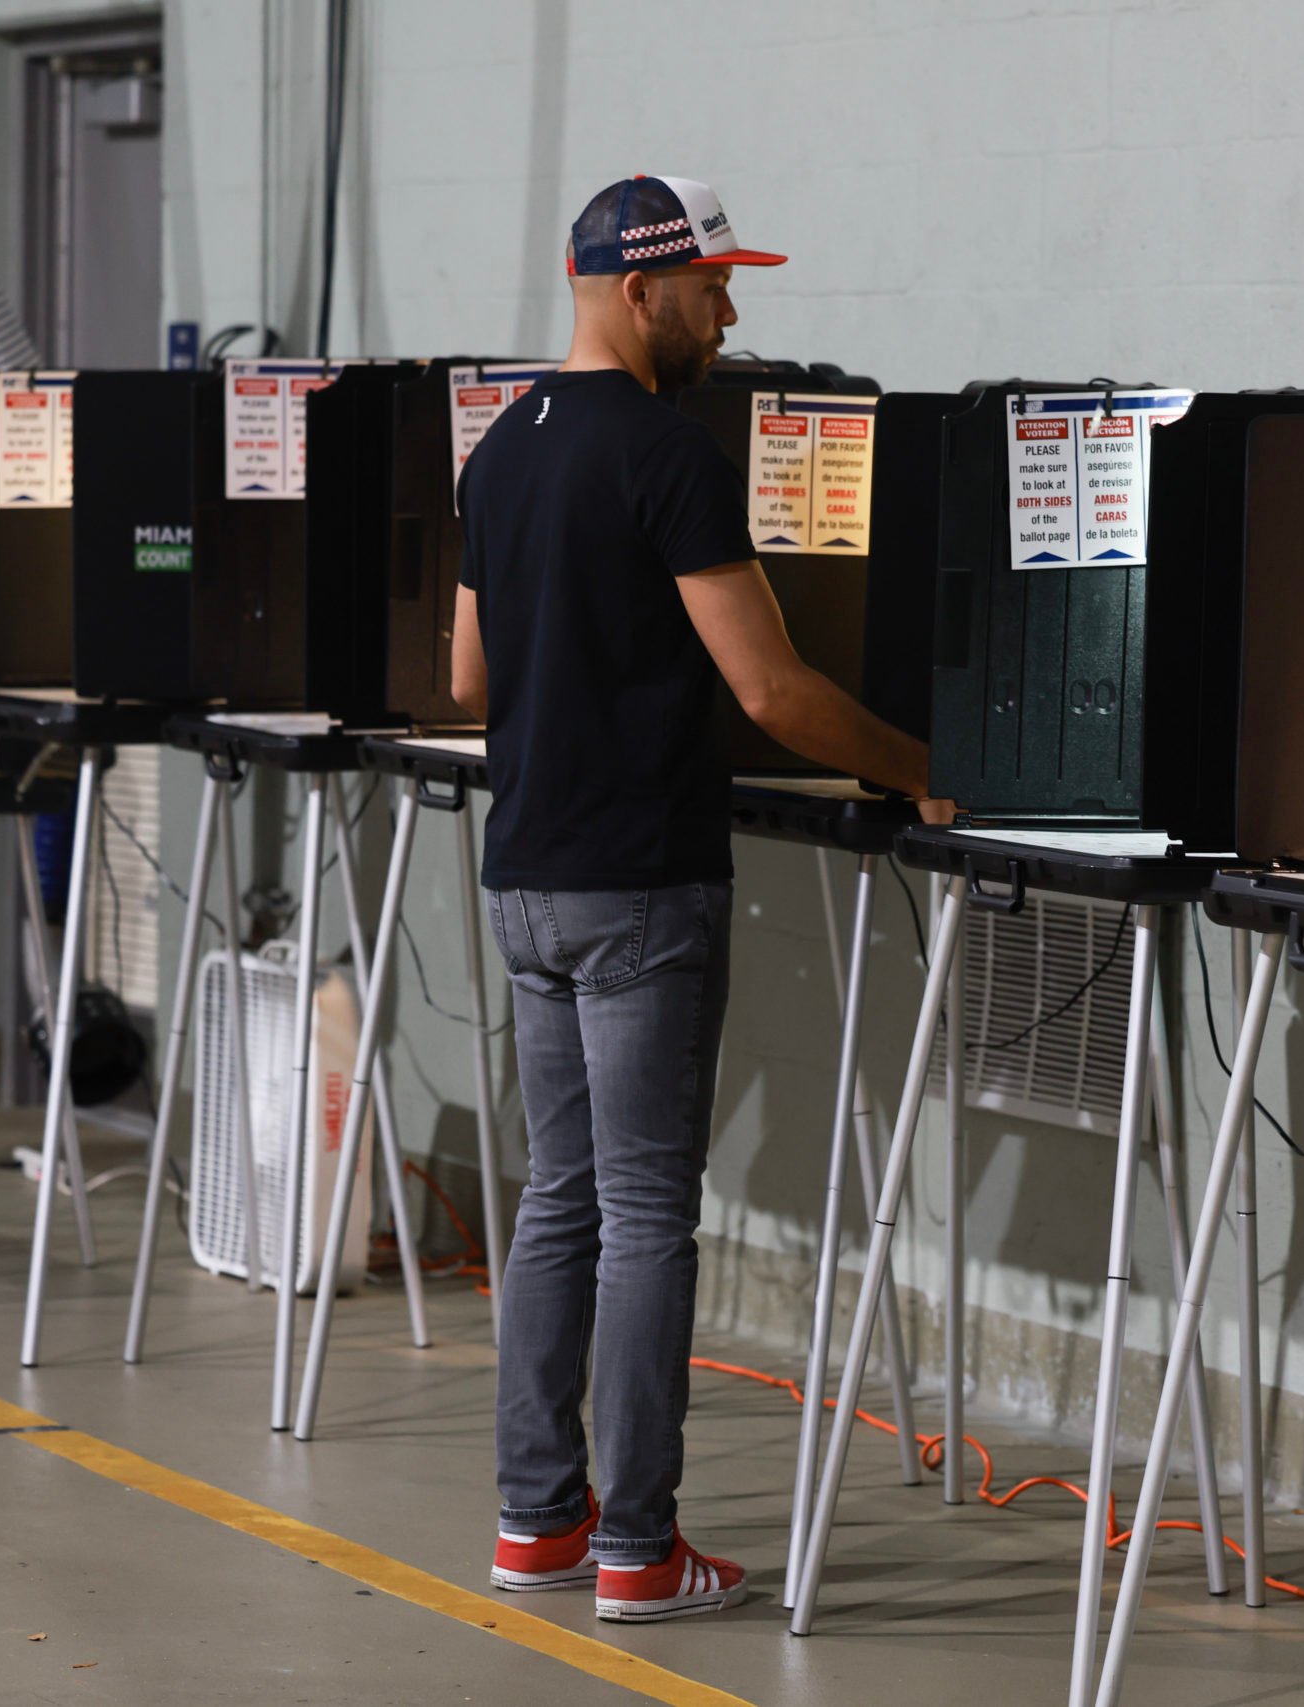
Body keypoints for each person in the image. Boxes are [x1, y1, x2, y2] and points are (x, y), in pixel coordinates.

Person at [452, 173, 945, 1623]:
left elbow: (471, 683)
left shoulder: (499, 454)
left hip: (526, 879)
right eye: (714, 287)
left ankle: (537, 1525)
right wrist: (922, 768)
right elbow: (773, 689)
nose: (729, 315)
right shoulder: (667, 456)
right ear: (637, 286)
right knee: (651, 1210)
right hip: (641, 888)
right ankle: (641, 1554)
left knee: (559, 1203)